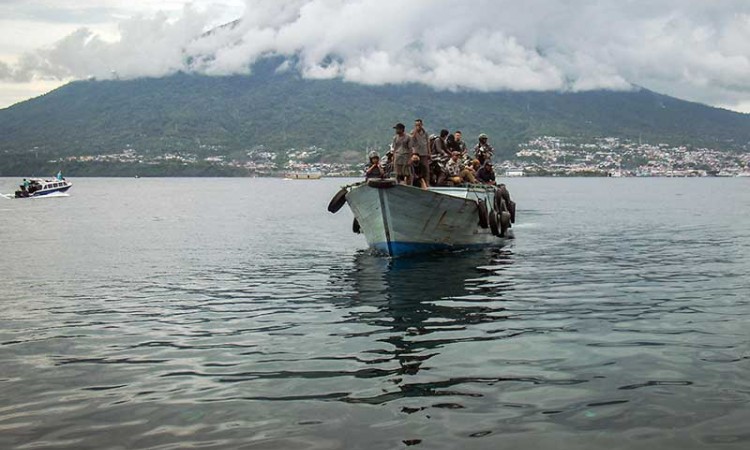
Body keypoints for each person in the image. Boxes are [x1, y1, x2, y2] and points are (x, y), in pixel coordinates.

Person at [409, 119, 430, 186]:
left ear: (421, 125)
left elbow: (428, 143)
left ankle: (427, 183)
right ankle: (412, 183)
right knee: (413, 167)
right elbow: (410, 142)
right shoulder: (413, 132)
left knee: (426, 168)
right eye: (416, 125)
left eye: (419, 125)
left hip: (424, 153)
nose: (418, 126)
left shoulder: (425, 133)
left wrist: (429, 153)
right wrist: (414, 133)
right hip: (416, 153)